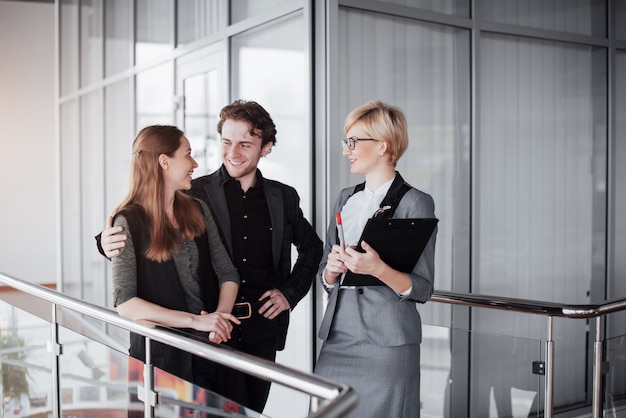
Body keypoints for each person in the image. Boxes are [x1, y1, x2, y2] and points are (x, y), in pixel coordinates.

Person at [99, 100, 323, 412]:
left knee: (250, 411)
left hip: (259, 330)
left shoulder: (282, 196)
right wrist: (104, 241)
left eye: (245, 144)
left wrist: (290, 293)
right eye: (227, 142)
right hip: (205, 331)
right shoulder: (195, 191)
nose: (233, 152)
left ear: (266, 147)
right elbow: (145, 219)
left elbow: (312, 248)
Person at [314, 101, 437, 417]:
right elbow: (326, 274)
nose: (346, 150)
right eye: (347, 142)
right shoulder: (345, 197)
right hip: (338, 336)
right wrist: (330, 272)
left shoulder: (415, 203)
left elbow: (422, 288)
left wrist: (379, 269)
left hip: (387, 343)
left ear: (382, 146)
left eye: (354, 142)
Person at [107, 125, 241, 391]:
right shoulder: (126, 221)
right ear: (164, 161)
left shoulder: (198, 209)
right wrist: (196, 321)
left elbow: (228, 273)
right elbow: (126, 304)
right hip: (158, 358)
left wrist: (219, 320)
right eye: (188, 154)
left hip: (206, 352)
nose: (195, 163)